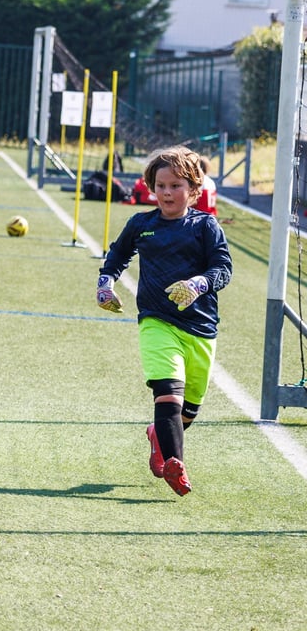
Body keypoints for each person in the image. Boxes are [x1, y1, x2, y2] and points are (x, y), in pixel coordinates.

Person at [96, 145, 232, 497]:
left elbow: (223, 268)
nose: (167, 193)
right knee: (168, 393)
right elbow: (117, 255)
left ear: (193, 188)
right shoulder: (142, 224)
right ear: (151, 187)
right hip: (156, 321)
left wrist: (199, 284)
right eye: (161, 186)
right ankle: (176, 464)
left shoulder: (205, 226)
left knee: (188, 411)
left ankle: (158, 435)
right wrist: (105, 284)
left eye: (176, 186)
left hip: (201, 328)